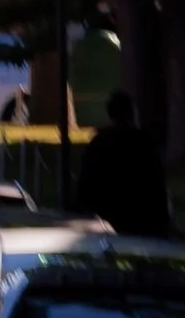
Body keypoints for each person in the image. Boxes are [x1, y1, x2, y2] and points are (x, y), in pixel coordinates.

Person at [70, 90, 173, 238]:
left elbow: (86, 182)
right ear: (130, 113)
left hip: (106, 216)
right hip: (140, 215)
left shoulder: (99, 143)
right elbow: (156, 181)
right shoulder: (143, 143)